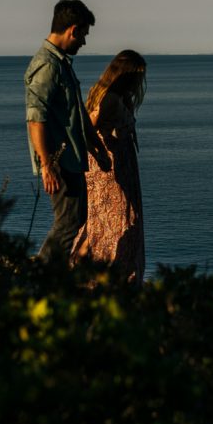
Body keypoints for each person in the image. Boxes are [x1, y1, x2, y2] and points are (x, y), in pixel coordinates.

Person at [24, 0, 109, 261]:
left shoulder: (61, 64)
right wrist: (47, 164)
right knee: (69, 220)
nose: (83, 42)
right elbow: (36, 118)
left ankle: (52, 273)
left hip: (71, 156)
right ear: (72, 30)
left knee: (76, 215)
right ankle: (42, 275)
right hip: (59, 160)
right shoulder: (48, 65)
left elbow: (77, 112)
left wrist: (94, 145)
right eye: (83, 34)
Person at [71, 50, 148, 285]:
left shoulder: (116, 97)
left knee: (107, 221)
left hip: (121, 168)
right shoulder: (111, 99)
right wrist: (102, 152)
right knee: (115, 221)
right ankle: (111, 276)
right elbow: (85, 129)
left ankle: (93, 272)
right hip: (109, 172)